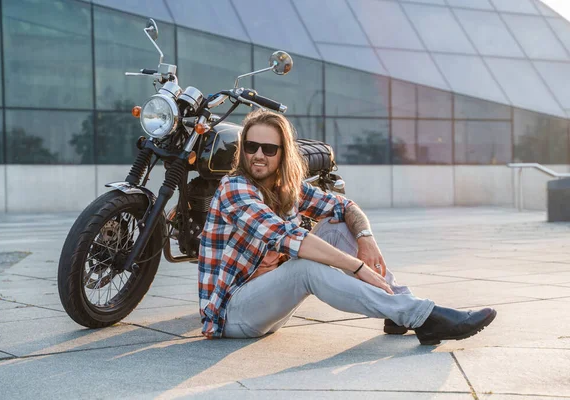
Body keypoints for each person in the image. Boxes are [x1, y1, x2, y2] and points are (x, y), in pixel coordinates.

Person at [197, 109, 496, 345]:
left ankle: (398, 307)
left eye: (269, 148)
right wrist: (357, 267)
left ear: (283, 153)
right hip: (231, 316)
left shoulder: (286, 188)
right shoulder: (234, 188)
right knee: (305, 268)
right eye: (251, 146)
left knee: (337, 224)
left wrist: (366, 238)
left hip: (267, 308)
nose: (258, 155)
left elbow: (345, 207)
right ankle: (419, 315)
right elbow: (289, 238)